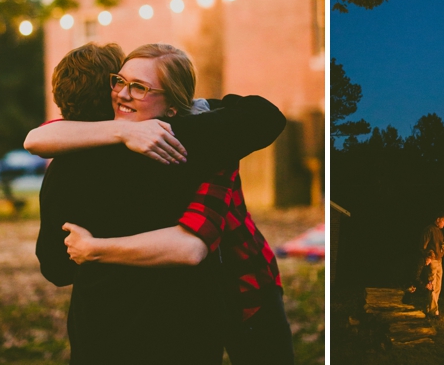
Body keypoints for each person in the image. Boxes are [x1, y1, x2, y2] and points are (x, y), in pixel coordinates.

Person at [32, 43, 289, 364]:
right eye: (120, 82)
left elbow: (56, 267)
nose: (124, 94)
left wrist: (94, 249)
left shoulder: (69, 161)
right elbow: (264, 115)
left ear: (171, 104)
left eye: (139, 87)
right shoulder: (203, 134)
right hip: (193, 307)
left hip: (234, 281)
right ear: (108, 88)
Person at [421, 213, 444, 317]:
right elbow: (423, 246)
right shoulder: (429, 230)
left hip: (439, 259)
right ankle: (433, 310)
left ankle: (430, 308)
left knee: (438, 286)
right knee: (432, 284)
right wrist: (427, 255)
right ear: (438, 219)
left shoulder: (440, 232)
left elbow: (441, 244)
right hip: (432, 260)